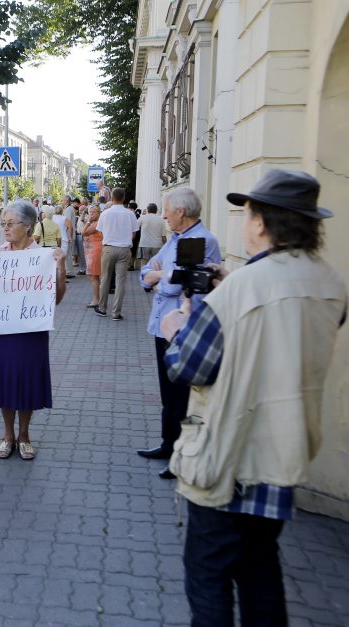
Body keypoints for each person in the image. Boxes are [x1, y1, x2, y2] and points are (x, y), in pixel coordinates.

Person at [160, 169, 347, 626]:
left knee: (209, 578)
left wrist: (178, 327)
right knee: (261, 571)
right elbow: (279, 334)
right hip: (284, 454)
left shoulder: (241, 289)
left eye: (247, 213)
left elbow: (189, 368)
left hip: (229, 456)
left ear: (261, 223)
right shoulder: (328, 281)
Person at [137, 189, 220, 480]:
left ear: (181, 212)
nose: (164, 215)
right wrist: (155, 276)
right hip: (164, 325)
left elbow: (174, 286)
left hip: (185, 329)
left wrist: (158, 277)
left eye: (168, 210)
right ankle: (167, 444)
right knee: (168, 393)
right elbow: (145, 274)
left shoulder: (200, 241)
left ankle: (180, 455)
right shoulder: (175, 239)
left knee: (180, 395)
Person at [0, 200, 67, 460]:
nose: (5, 228)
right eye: (3, 223)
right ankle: (8, 435)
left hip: (31, 331)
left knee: (27, 382)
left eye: (10, 223)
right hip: (1, 330)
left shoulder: (44, 257)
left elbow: (57, 298)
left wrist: (60, 267)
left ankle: (25, 435)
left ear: (27, 227)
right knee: (6, 382)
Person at [95, 187, 139, 321]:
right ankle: (116, 313)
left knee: (105, 279)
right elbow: (134, 234)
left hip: (108, 248)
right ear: (124, 198)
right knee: (120, 282)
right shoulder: (130, 214)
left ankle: (102, 308)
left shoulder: (105, 213)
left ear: (111, 198)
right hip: (124, 249)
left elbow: (100, 232)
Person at [82, 204, 103, 307]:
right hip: (91, 250)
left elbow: (83, 232)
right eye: (90, 212)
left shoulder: (96, 223)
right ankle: (97, 298)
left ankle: (96, 300)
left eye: (93, 212)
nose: (91, 214)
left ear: (99, 213)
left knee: (93, 275)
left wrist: (88, 221)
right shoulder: (94, 222)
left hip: (95, 250)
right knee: (92, 275)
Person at [137, 203, 166, 267]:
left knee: (143, 264)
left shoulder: (143, 218)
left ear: (147, 210)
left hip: (144, 244)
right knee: (156, 265)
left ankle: (144, 276)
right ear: (156, 210)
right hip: (157, 245)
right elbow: (163, 236)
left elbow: (136, 228)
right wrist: (165, 246)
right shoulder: (161, 220)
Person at [52, 199, 75, 279]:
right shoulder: (64, 218)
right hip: (64, 239)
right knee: (63, 258)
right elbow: (70, 228)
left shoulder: (52, 218)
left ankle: (55, 276)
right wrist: (70, 237)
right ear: (62, 211)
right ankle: (62, 277)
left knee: (55, 258)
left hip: (55, 239)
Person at [61, 195, 78, 277]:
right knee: (68, 254)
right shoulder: (69, 209)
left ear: (67, 200)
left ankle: (69, 272)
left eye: (63, 200)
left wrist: (69, 237)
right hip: (69, 235)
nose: (61, 201)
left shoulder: (68, 209)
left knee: (68, 254)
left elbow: (68, 224)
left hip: (68, 236)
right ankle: (69, 271)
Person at [75, 200, 87, 275]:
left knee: (82, 253)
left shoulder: (86, 217)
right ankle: (83, 268)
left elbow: (83, 220)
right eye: (79, 210)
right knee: (80, 253)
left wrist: (84, 212)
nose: (79, 211)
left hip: (82, 236)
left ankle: (83, 269)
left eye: (81, 210)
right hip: (78, 235)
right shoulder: (79, 217)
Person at [129, 201, 141, 269]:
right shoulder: (137, 214)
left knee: (131, 250)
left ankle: (130, 265)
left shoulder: (132, 214)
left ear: (130, 208)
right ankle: (131, 264)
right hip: (136, 235)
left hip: (132, 234)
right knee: (133, 250)